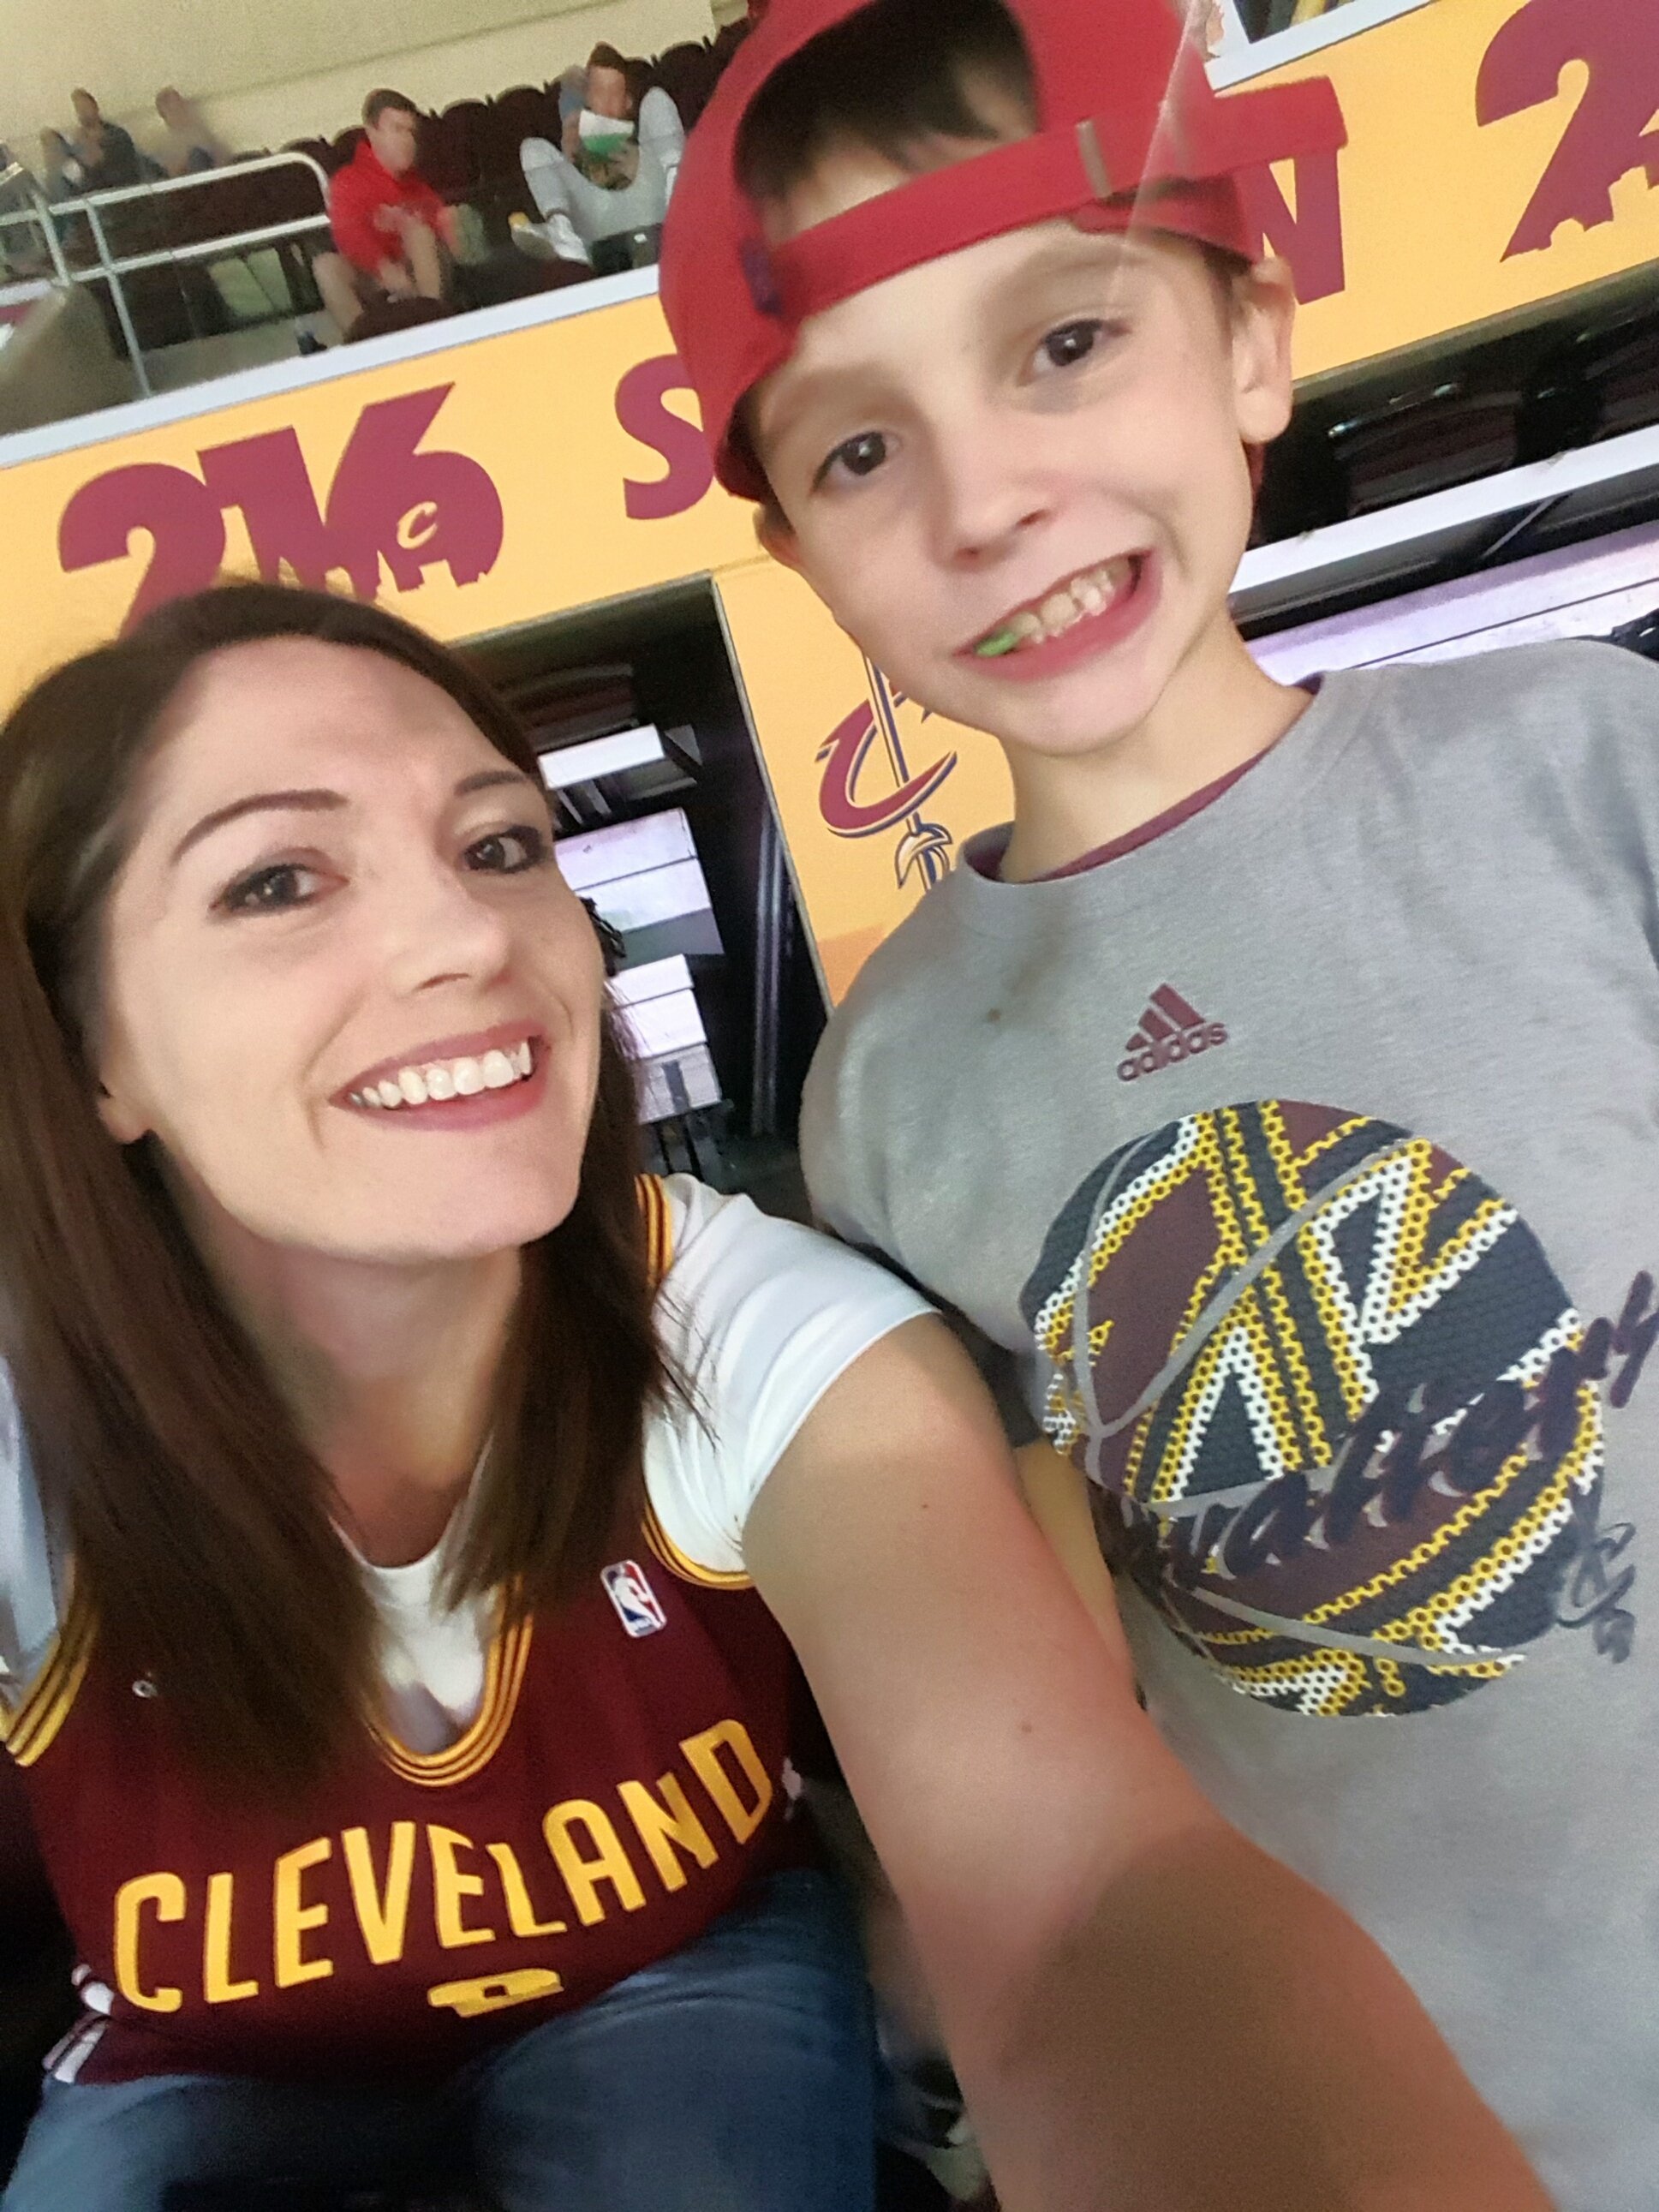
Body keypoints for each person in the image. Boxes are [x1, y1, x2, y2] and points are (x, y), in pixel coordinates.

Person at [0, 581, 1529, 2212]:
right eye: (278, 880)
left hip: (677, 1967)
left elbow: (1075, 1887)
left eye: (500, 845)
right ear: (91, 1049)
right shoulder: (41, 1416)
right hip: (200, 2053)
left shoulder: (753, 1329)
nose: (467, 937)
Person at [659, 0, 1659, 2205]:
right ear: (798, 559)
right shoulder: (888, 1093)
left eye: (1061, 343)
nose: (983, 499)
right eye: (858, 452)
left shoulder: (1581, 768)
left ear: (1250, 346)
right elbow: (1058, 1679)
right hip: (1415, 2121)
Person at [517, 43, 684, 272]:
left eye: (612, 94)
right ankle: (562, 231)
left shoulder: (647, 146)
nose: (605, 103)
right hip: (600, 235)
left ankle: (680, 191)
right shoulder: (579, 153)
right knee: (532, 148)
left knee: (656, 98)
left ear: (628, 101)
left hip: (660, 219)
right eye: (598, 93)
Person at [314, 89, 457, 339]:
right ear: (372, 132)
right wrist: (383, 267)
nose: (407, 140)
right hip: (375, 277)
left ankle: (433, 326)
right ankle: (362, 342)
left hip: (421, 278)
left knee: (420, 234)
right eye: (398, 130)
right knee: (326, 266)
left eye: (411, 132)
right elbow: (348, 234)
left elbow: (448, 239)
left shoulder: (421, 188)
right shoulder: (348, 182)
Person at [66, 91, 141, 194]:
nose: (83, 112)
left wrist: (90, 144)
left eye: (85, 107)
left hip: (123, 192)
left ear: (95, 107)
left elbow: (122, 168)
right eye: (79, 109)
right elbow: (75, 174)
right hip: (92, 196)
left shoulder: (117, 135)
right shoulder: (77, 142)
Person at [152, 87, 226, 178]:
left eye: (181, 107)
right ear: (164, 115)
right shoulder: (164, 147)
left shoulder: (203, 135)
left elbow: (223, 161)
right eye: (174, 110)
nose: (180, 113)